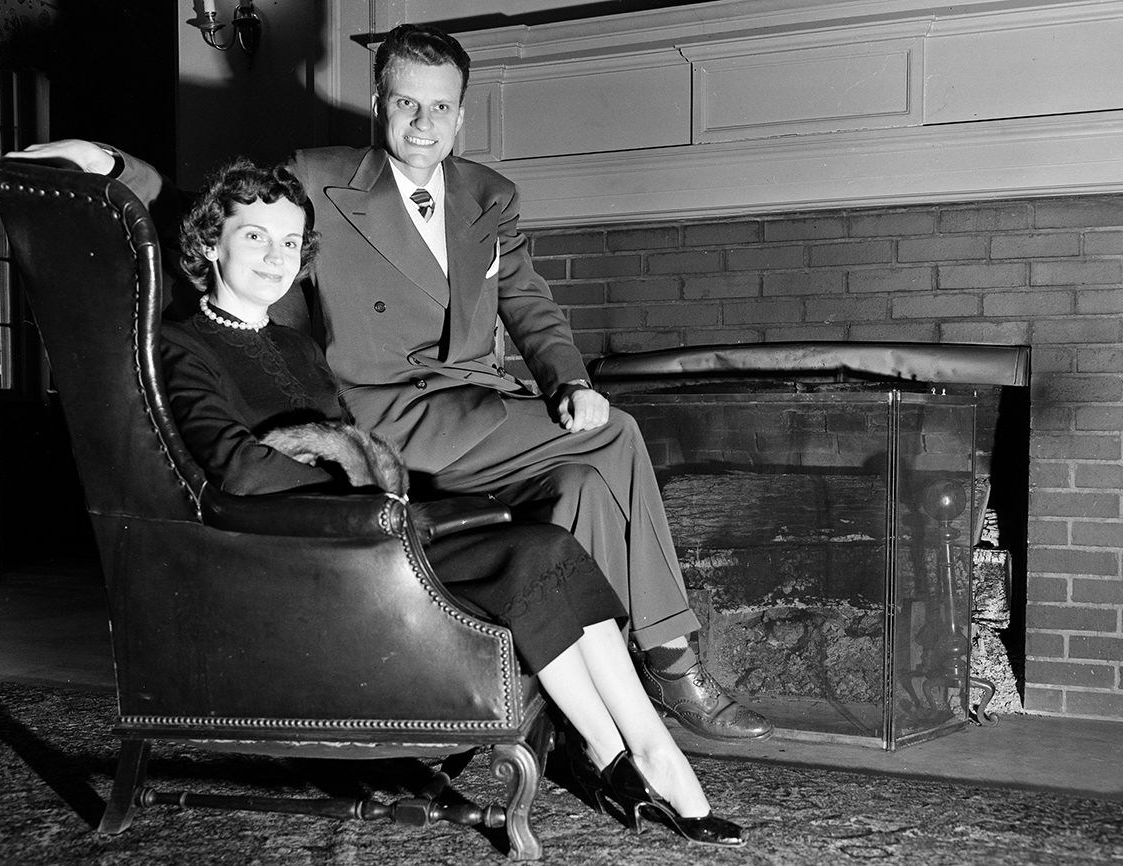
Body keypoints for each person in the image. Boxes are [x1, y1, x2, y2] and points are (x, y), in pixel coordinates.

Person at [5, 22, 773, 743]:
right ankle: (673, 664)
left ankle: (575, 716)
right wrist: (104, 161)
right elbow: (207, 207)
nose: (422, 123)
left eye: (440, 107)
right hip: (391, 414)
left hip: (481, 404)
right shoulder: (321, 175)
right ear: (379, 103)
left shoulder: (489, 194)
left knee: (582, 481)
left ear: (461, 113)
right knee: (619, 433)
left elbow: (530, 306)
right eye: (406, 102)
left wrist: (569, 380)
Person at [149, 156, 746, 846]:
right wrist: (359, 476)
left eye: (289, 243)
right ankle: (633, 761)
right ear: (208, 244)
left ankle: (640, 756)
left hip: (370, 529)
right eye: (254, 237)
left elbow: (358, 452)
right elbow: (239, 470)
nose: (275, 257)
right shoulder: (180, 345)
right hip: (306, 559)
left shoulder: (299, 347)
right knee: (528, 556)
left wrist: (390, 488)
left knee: (549, 544)